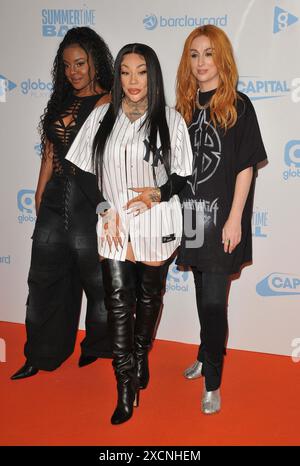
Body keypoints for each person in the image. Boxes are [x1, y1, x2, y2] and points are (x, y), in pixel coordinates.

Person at [66, 43, 193, 424]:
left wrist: (157, 193)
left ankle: (140, 355)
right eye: (125, 72)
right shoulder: (103, 115)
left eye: (140, 71)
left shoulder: (170, 119)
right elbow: (82, 170)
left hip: (156, 221)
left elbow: (183, 176)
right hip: (114, 223)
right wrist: (105, 208)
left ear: (152, 75)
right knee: (118, 303)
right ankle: (125, 385)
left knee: (150, 297)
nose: (133, 80)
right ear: (118, 76)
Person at [11, 27, 114, 380]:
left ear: (96, 63)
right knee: (43, 280)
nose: (74, 71)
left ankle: (99, 347)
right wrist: (40, 191)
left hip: (90, 202)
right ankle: (40, 354)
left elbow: (112, 159)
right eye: (67, 65)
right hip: (55, 200)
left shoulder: (109, 102)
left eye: (81, 63)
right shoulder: (60, 100)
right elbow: (50, 150)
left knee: (98, 283)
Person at [175, 25, 267, 414]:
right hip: (191, 217)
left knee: (214, 303)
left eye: (208, 53)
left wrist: (235, 220)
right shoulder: (183, 106)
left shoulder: (238, 105)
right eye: (194, 54)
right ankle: (204, 351)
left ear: (222, 59)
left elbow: (246, 168)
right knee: (201, 293)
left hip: (222, 218)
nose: (201, 62)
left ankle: (212, 380)